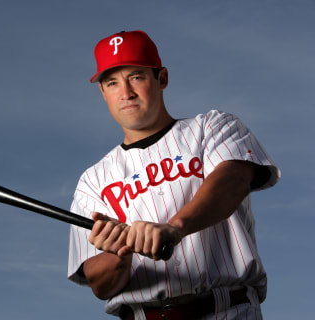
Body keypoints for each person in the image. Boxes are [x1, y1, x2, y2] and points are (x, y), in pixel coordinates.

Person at [67, 30, 281, 320]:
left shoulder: (213, 128)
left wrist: (175, 227)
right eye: (112, 82)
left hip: (229, 311)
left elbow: (233, 180)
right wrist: (121, 254)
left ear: (162, 78)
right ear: (103, 92)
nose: (125, 92)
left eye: (137, 77)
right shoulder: (92, 182)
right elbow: (101, 285)